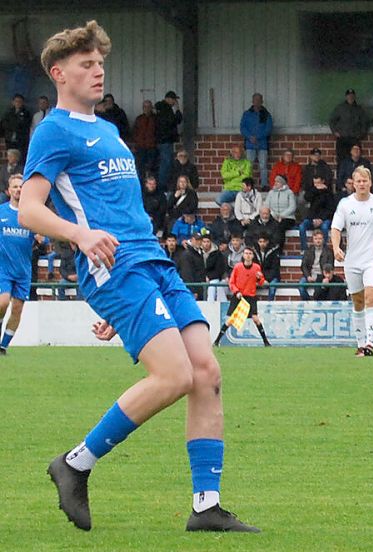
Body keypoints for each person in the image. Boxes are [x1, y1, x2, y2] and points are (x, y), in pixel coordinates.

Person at [19, 21, 258, 532]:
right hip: (114, 266)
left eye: (100, 63)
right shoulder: (52, 131)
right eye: (86, 64)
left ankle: (205, 506)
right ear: (59, 74)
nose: (98, 71)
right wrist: (81, 238)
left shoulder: (107, 130)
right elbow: (30, 211)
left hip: (150, 263)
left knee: (207, 373)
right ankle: (75, 463)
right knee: (174, 376)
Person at [331, 166, 373, 356]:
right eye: (358, 181)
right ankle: (360, 344)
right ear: (353, 183)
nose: (361, 184)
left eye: (364, 181)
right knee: (358, 302)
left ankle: (370, 343)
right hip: (352, 261)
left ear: (370, 182)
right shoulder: (345, 204)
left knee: (371, 297)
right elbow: (335, 228)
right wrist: (336, 248)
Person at [0, 175, 34, 355]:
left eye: (21, 187)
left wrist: (40, 237)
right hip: (3, 268)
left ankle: (3, 346)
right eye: (15, 187)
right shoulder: (1, 212)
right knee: (3, 302)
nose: (18, 190)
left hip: (23, 269)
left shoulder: (31, 214)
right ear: (8, 191)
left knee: (18, 309)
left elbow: (41, 238)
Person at [212, 246, 271, 346]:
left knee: (255, 319)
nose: (248, 256)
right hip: (239, 296)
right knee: (230, 320)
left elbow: (261, 282)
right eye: (246, 253)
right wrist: (236, 292)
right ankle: (217, 341)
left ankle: (266, 342)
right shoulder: (238, 267)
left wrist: (260, 278)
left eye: (250, 254)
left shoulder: (256, 267)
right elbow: (232, 282)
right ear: (243, 255)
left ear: (252, 256)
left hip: (251, 297)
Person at [329, 88, 369, 166]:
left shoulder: (359, 109)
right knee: (341, 160)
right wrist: (335, 131)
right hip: (342, 139)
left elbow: (365, 122)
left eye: (352, 96)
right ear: (346, 97)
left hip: (354, 139)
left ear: (354, 97)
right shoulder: (340, 108)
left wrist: (361, 134)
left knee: (356, 160)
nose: (350, 97)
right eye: (349, 96)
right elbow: (332, 120)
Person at [240, 93, 273, 187]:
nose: (257, 102)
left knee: (263, 166)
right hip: (250, 145)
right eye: (255, 100)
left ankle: (264, 185)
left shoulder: (266, 114)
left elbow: (268, 128)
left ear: (262, 101)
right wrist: (250, 137)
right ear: (252, 101)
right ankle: (248, 185)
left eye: (259, 100)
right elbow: (242, 128)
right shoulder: (246, 114)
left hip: (262, 144)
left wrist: (257, 137)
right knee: (248, 166)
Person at [154, 90, 182, 189]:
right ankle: (162, 185)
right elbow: (176, 120)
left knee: (166, 163)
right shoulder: (166, 109)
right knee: (166, 163)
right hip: (165, 140)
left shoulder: (160, 108)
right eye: (174, 100)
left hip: (162, 140)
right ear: (169, 99)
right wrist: (177, 110)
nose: (175, 102)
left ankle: (163, 184)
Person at [298, 174, 334, 251]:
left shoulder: (328, 193)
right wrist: (315, 189)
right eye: (315, 183)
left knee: (324, 227)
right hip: (312, 218)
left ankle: (323, 249)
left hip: (324, 219)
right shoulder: (312, 191)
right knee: (302, 227)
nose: (316, 185)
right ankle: (304, 250)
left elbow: (330, 209)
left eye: (318, 183)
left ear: (323, 182)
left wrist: (321, 219)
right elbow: (306, 198)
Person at [299, 229, 333, 301]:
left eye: (320, 239)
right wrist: (308, 276)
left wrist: (325, 277)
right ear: (313, 240)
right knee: (301, 286)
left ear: (323, 239)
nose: (318, 241)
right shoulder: (308, 251)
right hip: (310, 275)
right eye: (316, 239)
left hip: (322, 276)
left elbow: (330, 266)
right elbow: (303, 265)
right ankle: (308, 302)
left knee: (319, 292)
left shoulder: (329, 252)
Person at [132, 100, 156, 181]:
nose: (147, 108)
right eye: (145, 107)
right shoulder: (139, 119)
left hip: (152, 146)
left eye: (149, 106)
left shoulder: (155, 119)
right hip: (141, 146)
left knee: (151, 167)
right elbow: (134, 132)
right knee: (140, 167)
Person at [254, 233, 280, 301]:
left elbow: (275, 269)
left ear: (267, 242)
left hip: (272, 278)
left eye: (264, 241)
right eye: (260, 242)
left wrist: (266, 279)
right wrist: (261, 280)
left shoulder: (274, 252)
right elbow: (254, 269)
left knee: (272, 287)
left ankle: (269, 306)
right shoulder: (254, 252)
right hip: (260, 277)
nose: (262, 244)